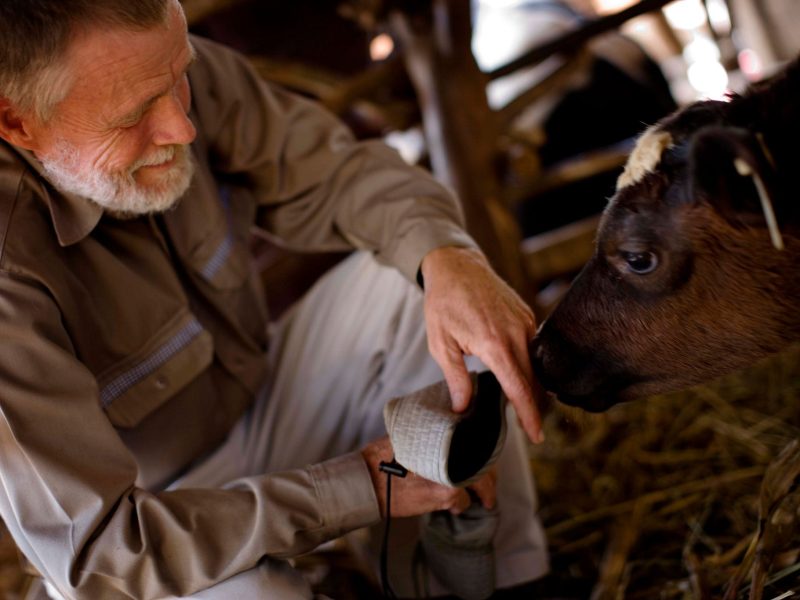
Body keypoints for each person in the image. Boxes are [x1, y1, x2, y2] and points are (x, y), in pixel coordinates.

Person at [0, 1, 549, 598]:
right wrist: (359, 485)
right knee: (266, 597)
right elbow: (102, 554)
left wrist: (449, 257)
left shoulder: (156, 69)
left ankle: (497, 584)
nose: (182, 127)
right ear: (17, 122)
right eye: (133, 115)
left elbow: (337, 174)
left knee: (421, 285)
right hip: (146, 525)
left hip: (261, 406)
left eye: (178, 77)